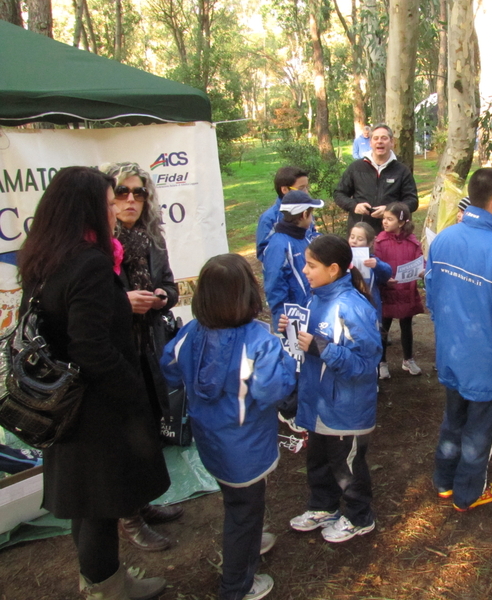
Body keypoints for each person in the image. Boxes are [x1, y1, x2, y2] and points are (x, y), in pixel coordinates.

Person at [17, 166, 170, 600]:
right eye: (106, 205)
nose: (114, 212)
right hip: (94, 409)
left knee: (84, 504)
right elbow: (92, 348)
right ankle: (108, 587)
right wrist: (132, 392)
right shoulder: (88, 264)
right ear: (84, 210)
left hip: (61, 401)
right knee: (102, 506)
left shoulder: (44, 255)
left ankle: (98, 578)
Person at [161, 254, 297, 600]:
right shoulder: (260, 340)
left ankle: (250, 540)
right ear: (248, 294)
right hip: (248, 447)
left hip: (211, 442)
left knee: (238, 503)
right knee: (244, 512)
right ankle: (237, 585)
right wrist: (286, 362)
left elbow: (169, 368)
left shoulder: (189, 333)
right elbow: (272, 390)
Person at [426, 168, 492, 512]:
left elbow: (432, 295)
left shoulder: (443, 239)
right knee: (479, 430)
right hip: (487, 359)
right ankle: (469, 492)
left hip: (451, 352)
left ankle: (444, 481)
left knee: (453, 418)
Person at [100, 161, 184, 552]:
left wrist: (164, 296)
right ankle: (128, 517)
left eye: (139, 192)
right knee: (123, 435)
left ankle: (143, 504)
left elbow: (169, 284)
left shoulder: (153, 238)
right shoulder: (95, 243)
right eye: (122, 192)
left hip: (148, 345)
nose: (131, 199)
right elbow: (88, 304)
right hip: (112, 350)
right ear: (108, 197)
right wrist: (123, 302)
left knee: (148, 426)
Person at [284, 235, 382, 543]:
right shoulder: (315, 298)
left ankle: (359, 516)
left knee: (346, 466)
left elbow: (367, 364)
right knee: (318, 460)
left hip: (345, 408)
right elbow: (309, 348)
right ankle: (323, 506)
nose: (304, 270)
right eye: (305, 264)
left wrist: (322, 347)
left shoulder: (352, 308)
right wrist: (292, 330)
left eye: (311, 265)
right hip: (318, 402)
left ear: (334, 268)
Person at [334, 123, 419, 233]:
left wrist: (390, 211)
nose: (379, 141)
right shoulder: (356, 167)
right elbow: (339, 193)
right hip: (361, 234)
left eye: (384, 138)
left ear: (392, 142)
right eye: (376, 138)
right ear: (371, 143)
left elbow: (412, 201)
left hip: (392, 235)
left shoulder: (402, 170)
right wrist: (354, 206)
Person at [373, 202, 425, 378]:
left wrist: (422, 270)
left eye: (390, 219)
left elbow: (420, 260)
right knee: (383, 327)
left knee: (406, 325)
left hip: (405, 290)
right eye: (384, 219)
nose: (385, 222)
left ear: (401, 222)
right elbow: (377, 263)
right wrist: (384, 279)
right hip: (386, 291)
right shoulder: (380, 241)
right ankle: (382, 362)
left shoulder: (412, 242)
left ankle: (408, 360)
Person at [261, 190, 324, 324]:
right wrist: (283, 318)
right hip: (292, 321)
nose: (312, 218)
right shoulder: (279, 245)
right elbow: (274, 285)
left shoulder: (305, 238)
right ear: (304, 214)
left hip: (310, 313)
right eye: (311, 214)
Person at [255, 167, 314, 262]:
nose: (306, 192)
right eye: (301, 188)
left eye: (307, 187)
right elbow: (264, 253)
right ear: (284, 189)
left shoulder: (305, 209)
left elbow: (312, 233)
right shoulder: (269, 218)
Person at [348, 222, 392, 319]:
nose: (354, 241)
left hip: (370, 307)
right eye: (352, 237)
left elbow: (387, 274)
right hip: (350, 307)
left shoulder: (372, 261)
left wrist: (377, 265)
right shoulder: (343, 260)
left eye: (360, 239)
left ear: (369, 243)